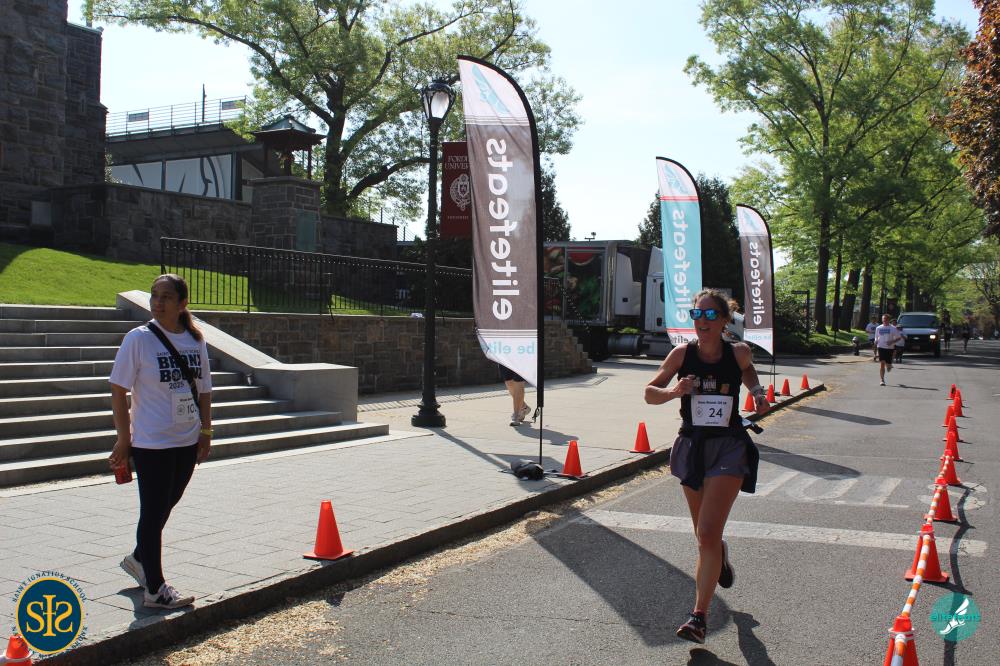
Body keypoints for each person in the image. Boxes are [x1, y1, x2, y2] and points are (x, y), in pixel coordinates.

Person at [643, 289, 769, 644]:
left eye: (710, 315)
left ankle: (699, 616)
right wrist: (674, 392)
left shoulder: (738, 352)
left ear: (725, 320)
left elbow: (748, 371)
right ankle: (720, 554)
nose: (702, 321)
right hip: (692, 445)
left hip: (729, 447)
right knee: (704, 536)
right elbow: (649, 392)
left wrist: (757, 392)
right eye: (696, 314)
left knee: (709, 533)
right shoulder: (682, 354)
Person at [108, 274, 213, 609]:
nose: (158, 302)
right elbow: (118, 389)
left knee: (167, 504)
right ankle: (155, 589)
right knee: (153, 513)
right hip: (151, 442)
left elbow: (204, 390)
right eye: (154, 295)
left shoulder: (195, 340)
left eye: (166, 296)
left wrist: (206, 431)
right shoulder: (139, 339)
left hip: (186, 439)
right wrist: (124, 438)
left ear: (182, 303)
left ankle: (140, 559)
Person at [874, 314, 902, 386]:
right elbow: (876, 337)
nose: (884, 320)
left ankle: (889, 365)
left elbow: (899, 337)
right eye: (883, 319)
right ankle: (882, 380)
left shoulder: (893, 328)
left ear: (889, 320)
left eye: (886, 319)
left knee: (888, 364)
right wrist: (876, 341)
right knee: (882, 363)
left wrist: (892, 342)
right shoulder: (878, 328)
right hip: (881, 347)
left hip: (889, 348)